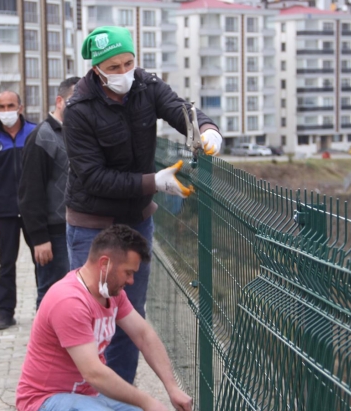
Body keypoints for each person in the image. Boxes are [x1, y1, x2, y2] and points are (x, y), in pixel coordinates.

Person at [63, 26, 224, 383]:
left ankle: (120, 394)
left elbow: (179, 108)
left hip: (135, 223)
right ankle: (86, 395)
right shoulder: (78, 110)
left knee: (130, 314)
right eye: (114, 67)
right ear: (97, 70)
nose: (123, 73)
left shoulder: (146, 86)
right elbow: (93, 177)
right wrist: (154, 182)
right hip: (92, 225)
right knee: (91, 313)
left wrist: (206, 128)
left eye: (129, 63)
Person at [16, 225, 192, 411]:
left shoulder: (112, 294)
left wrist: (172, 388)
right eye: (128, 272)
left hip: (88, 396)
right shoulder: (69, 301)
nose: (131, 281)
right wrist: (146, 401)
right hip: (44, 400)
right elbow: (94, 373)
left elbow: (144, 335)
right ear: (104, 264)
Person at [0, 91, 38, 330]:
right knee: (6, 264)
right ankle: (5, 312)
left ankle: (44, 308)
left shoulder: (35, 133)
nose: (6, 111)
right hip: (4, 213)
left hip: (34, 211)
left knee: (43, 262)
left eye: (10, 105)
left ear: (20, 107)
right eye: (1, 107)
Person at [18, 77, 81, 309]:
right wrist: (39, 238)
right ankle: (44, 345)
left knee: (71, 297)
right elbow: (29, 193)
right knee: (51, 296)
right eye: (75, 101)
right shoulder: (42, 137)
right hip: (53, 235)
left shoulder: (75, 133)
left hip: (75, 229)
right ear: (59, 101)